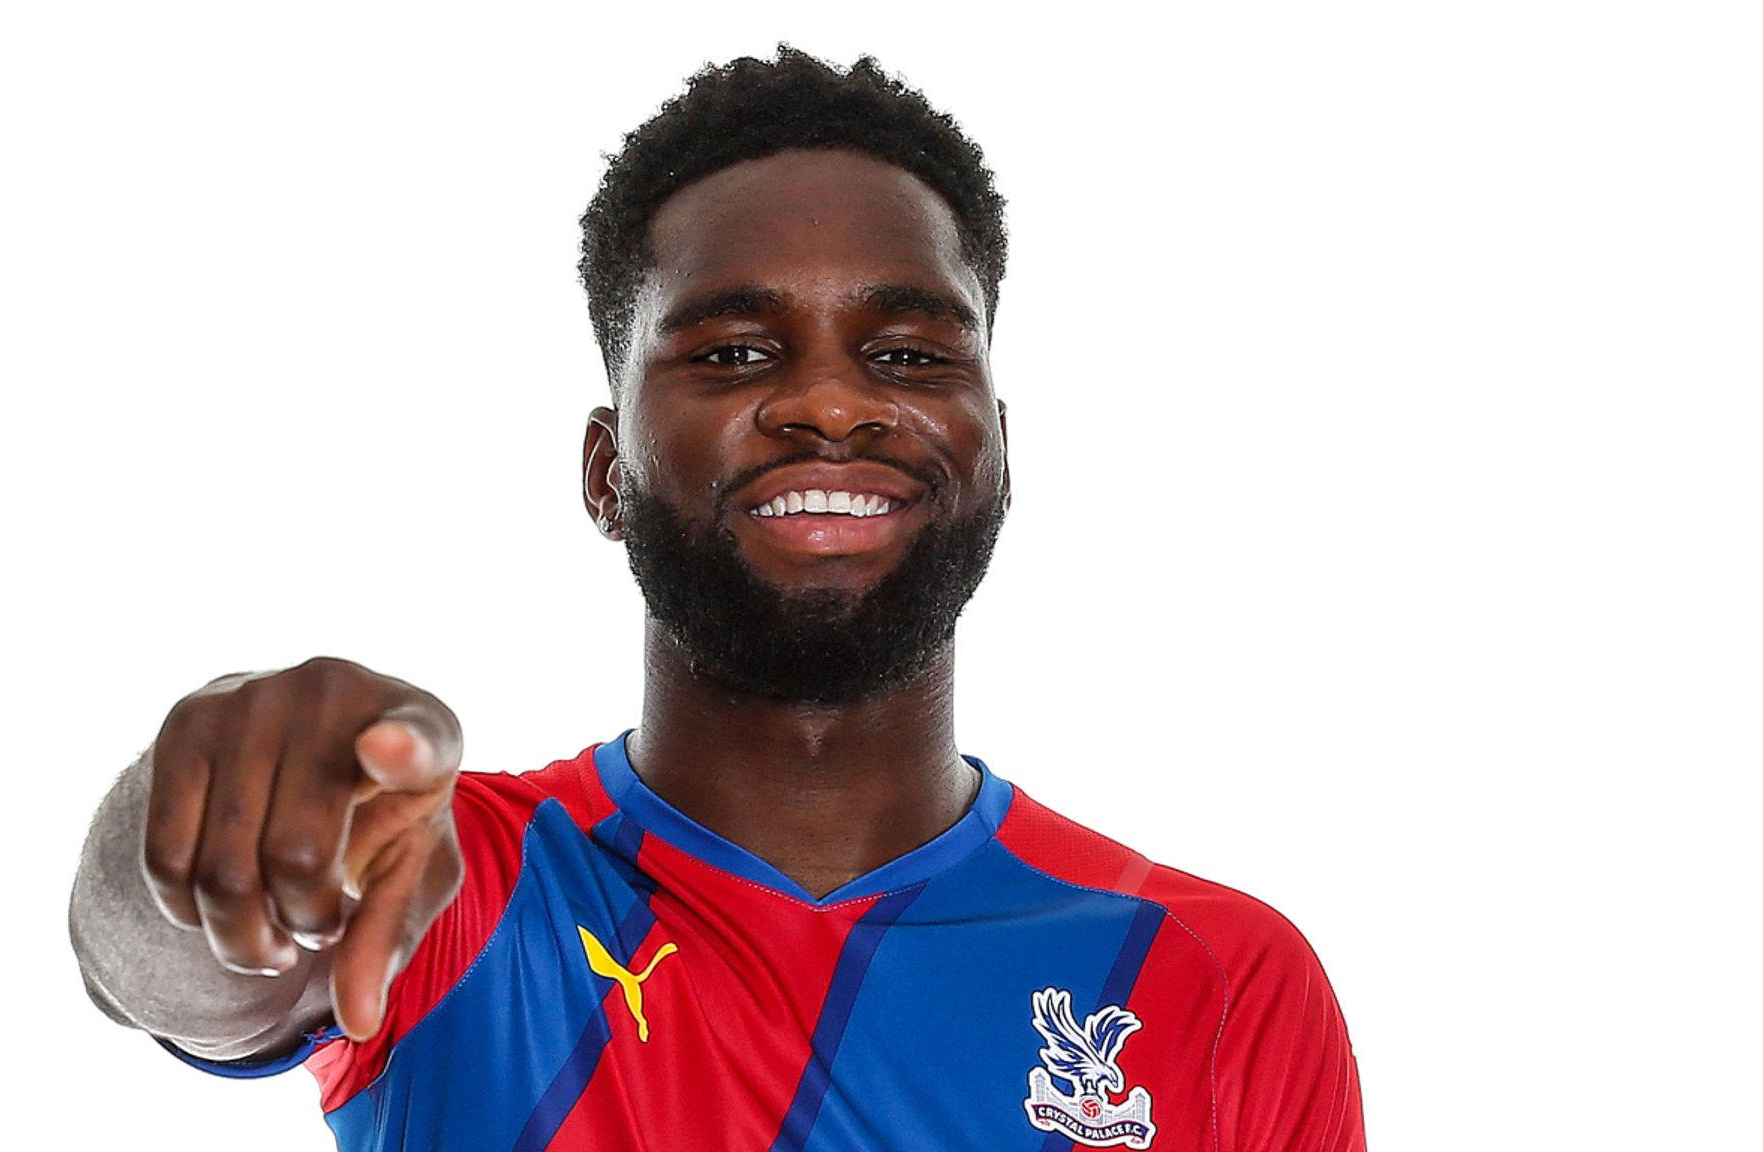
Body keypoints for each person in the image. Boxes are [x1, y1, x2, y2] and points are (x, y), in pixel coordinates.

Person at [69, 45, 1366, 1151]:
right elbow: (172, 973)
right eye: (737, 352)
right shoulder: (456, 884)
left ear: (1001, 452)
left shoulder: (1217, 980)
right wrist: (204, 812)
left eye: (908, 353)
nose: (831, 403)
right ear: (606, 470)